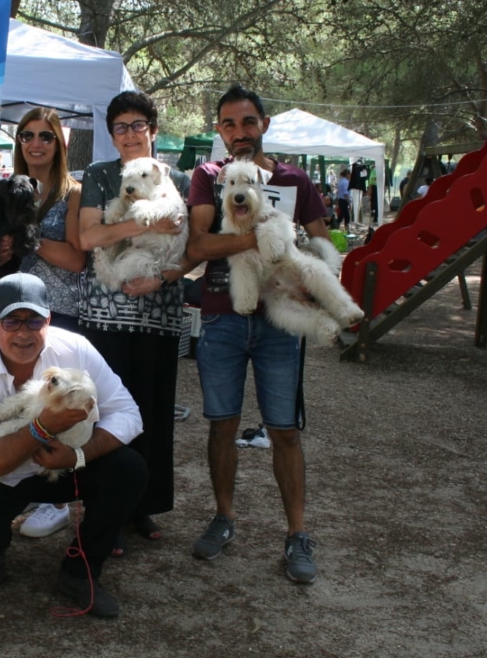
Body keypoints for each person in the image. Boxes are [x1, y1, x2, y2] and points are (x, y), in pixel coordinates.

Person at [184, 84, 330, 583]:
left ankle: (297, 535)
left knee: (284, 431)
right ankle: (224, 518)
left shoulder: (294, 178)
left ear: (263, 124)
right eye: (228, 124)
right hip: (223, 318)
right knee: (223, 425)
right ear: (219, 130)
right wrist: (262, 236)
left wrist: (312, 279)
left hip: (279, 321)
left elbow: (322, 242)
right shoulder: (207, 177)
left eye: (247, 122)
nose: (238, 133)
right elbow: (200, 244)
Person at [0, 273, 146, 618]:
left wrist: (79, 454)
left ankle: (80, 569)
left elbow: (129, 415)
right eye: (12, 321)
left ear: (48, 321)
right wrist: (41, 428)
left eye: (34, 320)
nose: (23, 332)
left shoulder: (76, 349)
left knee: (129, 469)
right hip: (2, 474)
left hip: (66, 463)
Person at [77, 90, 193, 555]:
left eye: (138, 125)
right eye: (120, 127)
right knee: (103, 413)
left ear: (153, 130)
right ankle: (104, 510)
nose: (129, 134)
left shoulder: (176, 177)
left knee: (151, 410)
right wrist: (144, 225)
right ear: (111, 134)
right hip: (103, 315)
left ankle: (141, 507)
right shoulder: (99, 175)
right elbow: (89, 236)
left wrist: (164, 275)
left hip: (158, 313)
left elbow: (190, 250)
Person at [2, 108, 87, 538]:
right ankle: (13, 487)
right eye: (27, 136)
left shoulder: (74, 192)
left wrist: (28, 232)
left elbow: (76, 258)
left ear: (59, 144)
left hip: (60, 312)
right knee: (15, 401)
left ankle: (56, 498)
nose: (36, 144)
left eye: (45, 137)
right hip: (13, 315)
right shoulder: (7, 189)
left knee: (56, 406)